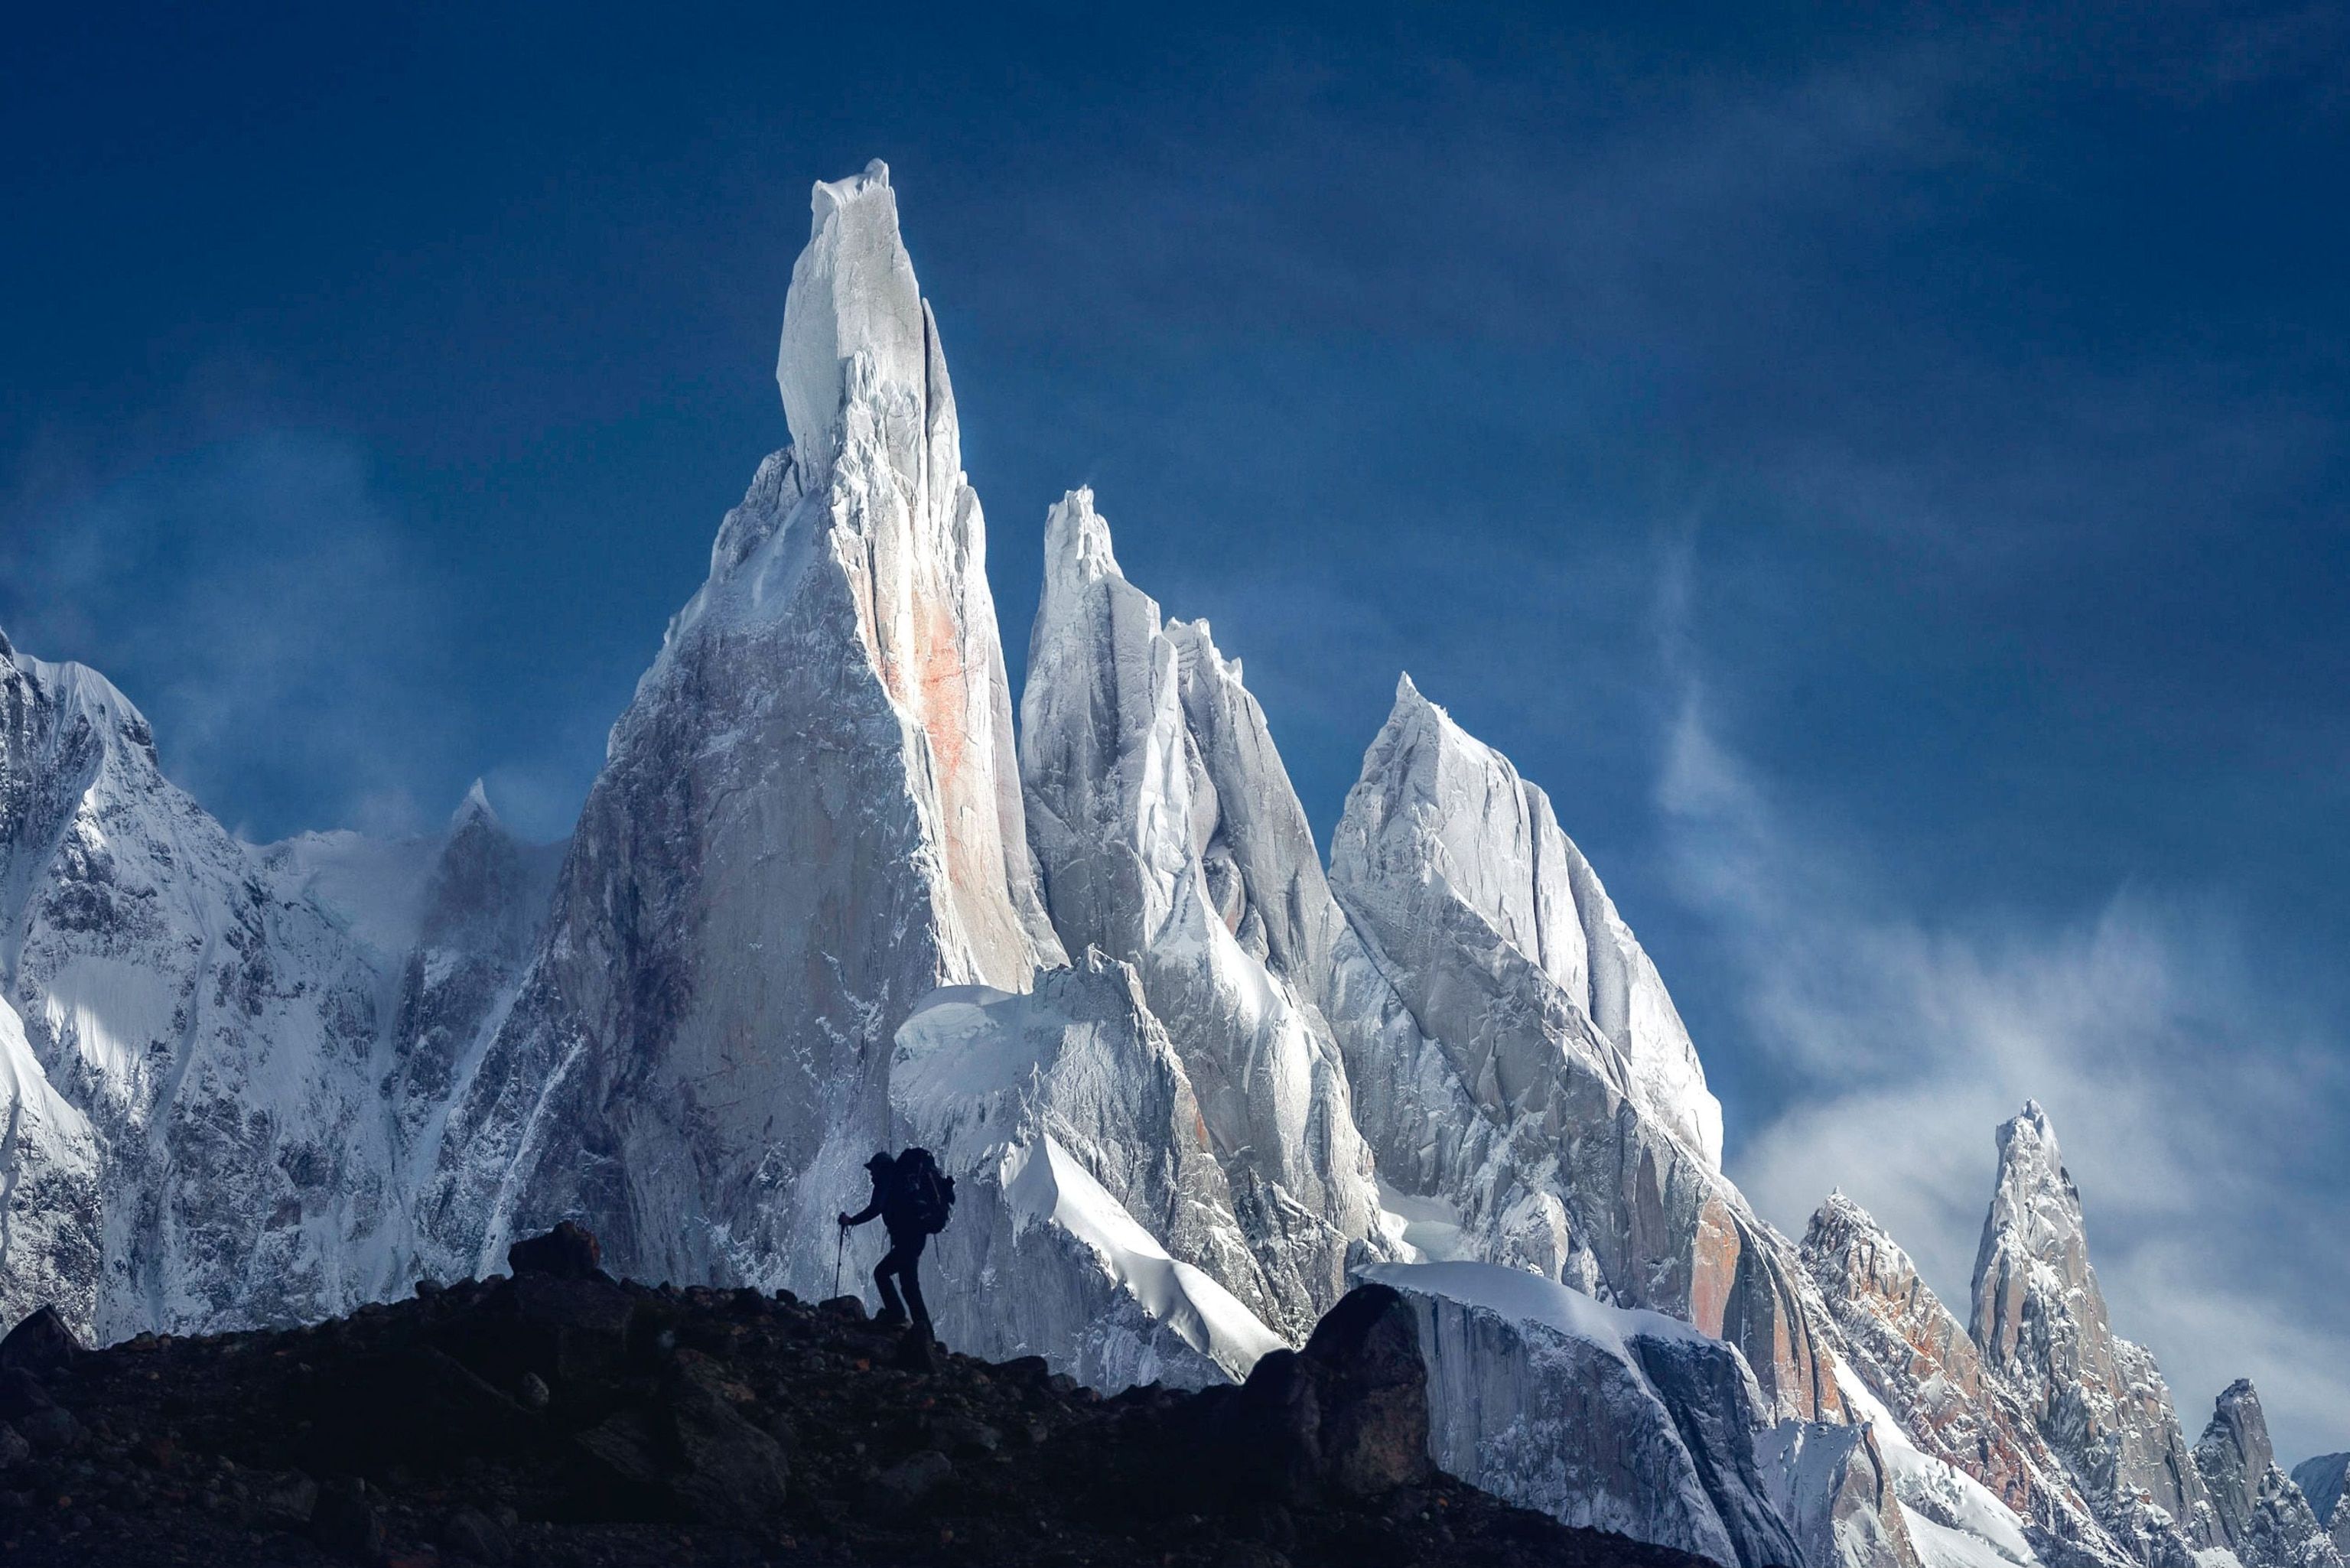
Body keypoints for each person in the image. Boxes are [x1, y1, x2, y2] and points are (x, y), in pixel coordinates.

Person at [838, 1150, 935, 1336]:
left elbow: (876, 1208)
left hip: (907, 1240)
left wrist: (851, 1221)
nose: (872, 1175)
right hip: (915, 1238)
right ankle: (924, 1333)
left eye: (872, 1170)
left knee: (883, 1274)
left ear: (879, 1167)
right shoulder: (901, 1180)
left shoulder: (886, 1178)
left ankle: (901, 1318)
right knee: (909, 1286)